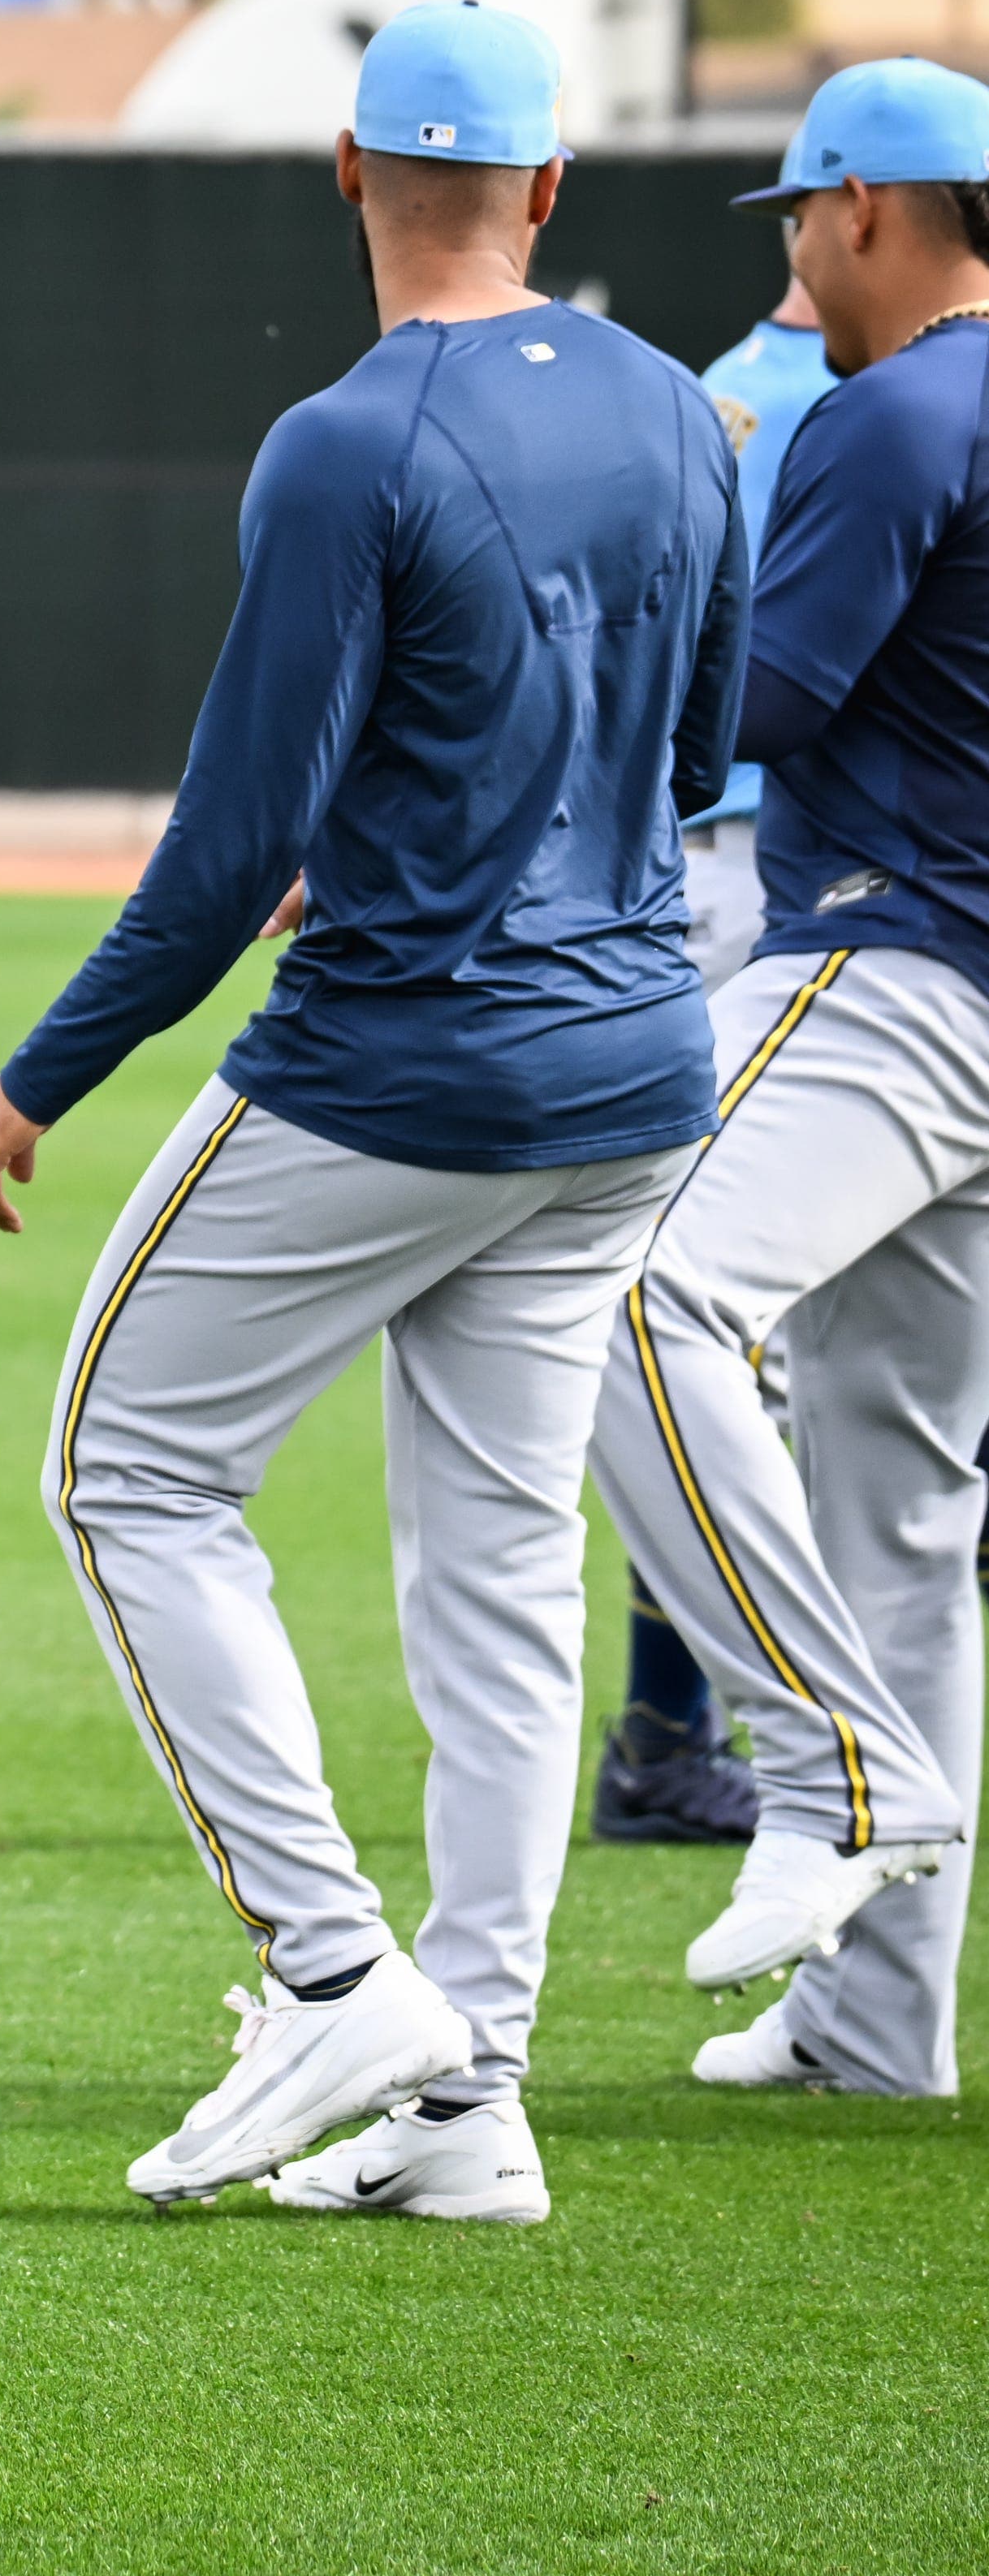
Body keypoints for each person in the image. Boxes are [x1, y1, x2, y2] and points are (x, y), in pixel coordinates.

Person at [0, 2, 746, 2224]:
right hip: (633, 1067)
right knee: (502, 1582)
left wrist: (42, 1076)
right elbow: (692, 766)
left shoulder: (345, 438)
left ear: (341, 173)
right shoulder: (684, 408)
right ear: (555, 191)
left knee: (122, 1470)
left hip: (407, 1065)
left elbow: (229, 850)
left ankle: (329, 1974)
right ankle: (472, 2105)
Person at [590, 58, 989, 2096]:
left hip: (899, 958)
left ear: (865, 209)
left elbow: (770, 696)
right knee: (898, 1500)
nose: (798, 256)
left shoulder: (899, 402)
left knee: (619, 1294)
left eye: (801, 219)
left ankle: (830, 1766)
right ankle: (873, 2029)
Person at [589, 278, 839, 1846]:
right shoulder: (890, 396)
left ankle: (672, 1728)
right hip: (781, 871)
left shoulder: (705, 387)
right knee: (731, 1337)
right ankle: (690, 1735)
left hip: (675, 862)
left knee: (698, 1329)